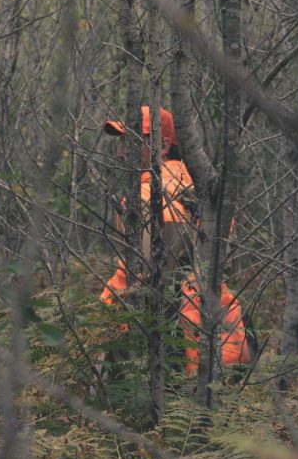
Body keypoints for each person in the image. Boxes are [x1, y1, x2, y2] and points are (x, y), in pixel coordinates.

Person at [100, 106, 252, 375]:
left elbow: (141, 286)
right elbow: (233, 272)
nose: (121, 153)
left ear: (164, 145)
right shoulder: (205, 190)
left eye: (131, 143)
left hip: (169, 353)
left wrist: (98, 329)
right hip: (226, 342)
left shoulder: (145, 200)